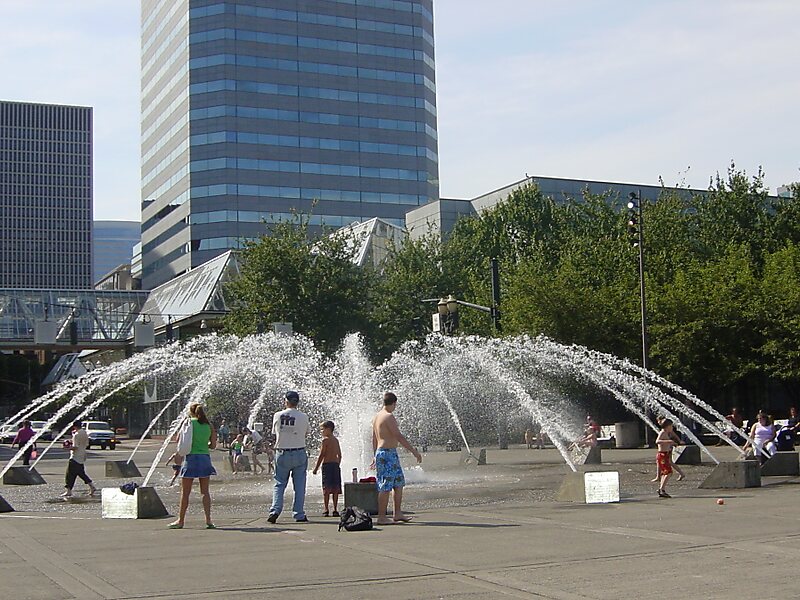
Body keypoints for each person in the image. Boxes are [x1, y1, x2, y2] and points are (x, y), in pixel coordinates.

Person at [371, 391, 422, 525]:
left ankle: (397, 513)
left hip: (387, 453)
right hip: (386, 454)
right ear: (394, 403)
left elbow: (374, 438)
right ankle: (381, 517)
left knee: (398, 483)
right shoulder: (388, 416)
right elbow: (398, 435)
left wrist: (374, 455)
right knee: (385, 485)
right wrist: (413, 451)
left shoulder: (377, 416)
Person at [169, 403, 217, 529]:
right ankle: (208, 520)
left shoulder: (188, 423)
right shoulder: (209, 425)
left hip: (190, 459)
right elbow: (213, 446)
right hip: (205, 459)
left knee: (185, 492)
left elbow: (179, 440)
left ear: (191, 412)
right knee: (205, 492)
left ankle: (180, 521)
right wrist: (204, 444)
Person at [267, 391, 310, 524]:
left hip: (282, 452)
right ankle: (299, 514)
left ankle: (275, 510)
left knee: (279, 484)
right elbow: (306, 433)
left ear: (286, 401)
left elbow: (275, 433)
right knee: (300, 486)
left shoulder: (278, 415)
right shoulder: (303, 416)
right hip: (299, 451)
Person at [312, 420, 342, 517]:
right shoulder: (336, 440)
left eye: (322, 429)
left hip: (327, 465)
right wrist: (337, 464)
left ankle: (326, 509)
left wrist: (316, 468)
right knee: (335, 488)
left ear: (328, 429)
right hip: (335, 465)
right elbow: (339, 455)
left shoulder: (325, 440)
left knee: (326, 488)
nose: (321, 432)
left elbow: (322, 454)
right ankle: (335, 509)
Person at [61, 421, 97, 500]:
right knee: (81, 473)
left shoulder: (76, 435)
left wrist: (67, 448)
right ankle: (92, 486)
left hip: (75, 457)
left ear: (74, 426)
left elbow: (75, 447)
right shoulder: (84, 433)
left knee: (69, 474)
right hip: (82, 456)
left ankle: (69, 491)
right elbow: (86, 444)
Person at [655, 419, 678, 498]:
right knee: (669, 472)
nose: (672, 428)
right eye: (671, 426)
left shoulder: (665, 433)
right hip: (662, 455)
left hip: (665, 455)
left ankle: (661, 489)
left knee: (665, 473)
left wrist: (672, 443)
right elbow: (657, 441)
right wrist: (668, 441)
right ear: (667, 426)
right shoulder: (662, 432)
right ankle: (662, 489)